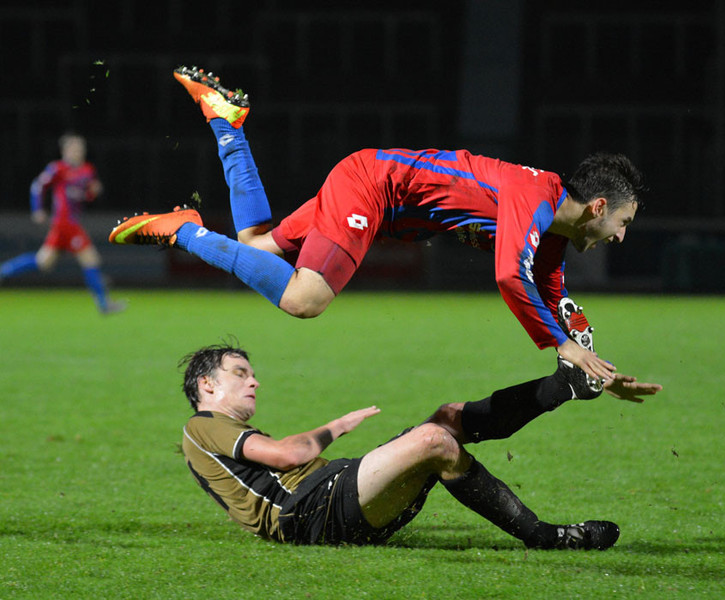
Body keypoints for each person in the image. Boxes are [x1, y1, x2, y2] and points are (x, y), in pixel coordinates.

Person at [110, 66, 662, 405]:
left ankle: (226, 124)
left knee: (255, 245)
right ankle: (185, 231)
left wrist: (595, 370)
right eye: (623, 223)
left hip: (374, 191)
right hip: (371, 188)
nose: (620, 237)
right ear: (597, 207)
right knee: (304, 299)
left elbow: (551, 297)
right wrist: (561, 345)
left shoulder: (553, 235)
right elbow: (508, 276)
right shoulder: (534, 196)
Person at [180, 342, 623, 549]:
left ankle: (563, 385)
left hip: (328, 498)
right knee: (434, 440)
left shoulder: (216, 432)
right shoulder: (201, 426)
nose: (254, 381)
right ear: (207, 385)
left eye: (252, 373)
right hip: (309, 513)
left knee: (447, 417)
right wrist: (338, 425)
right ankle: (544, 536)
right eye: (240, 373)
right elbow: (288, 456)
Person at [1, 132, 126, 314]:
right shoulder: (57, 169)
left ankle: (3, 271)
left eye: (80, 148)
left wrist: (93, 192)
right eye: (74, 149)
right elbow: (38, 186)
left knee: (44, 262)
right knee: (90, 259)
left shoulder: (87, 170)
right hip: (65, 223)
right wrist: (37, 209)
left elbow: (86, 196)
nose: (78, 152)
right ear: (65, 151)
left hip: (69, 223)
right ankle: (104, 304)